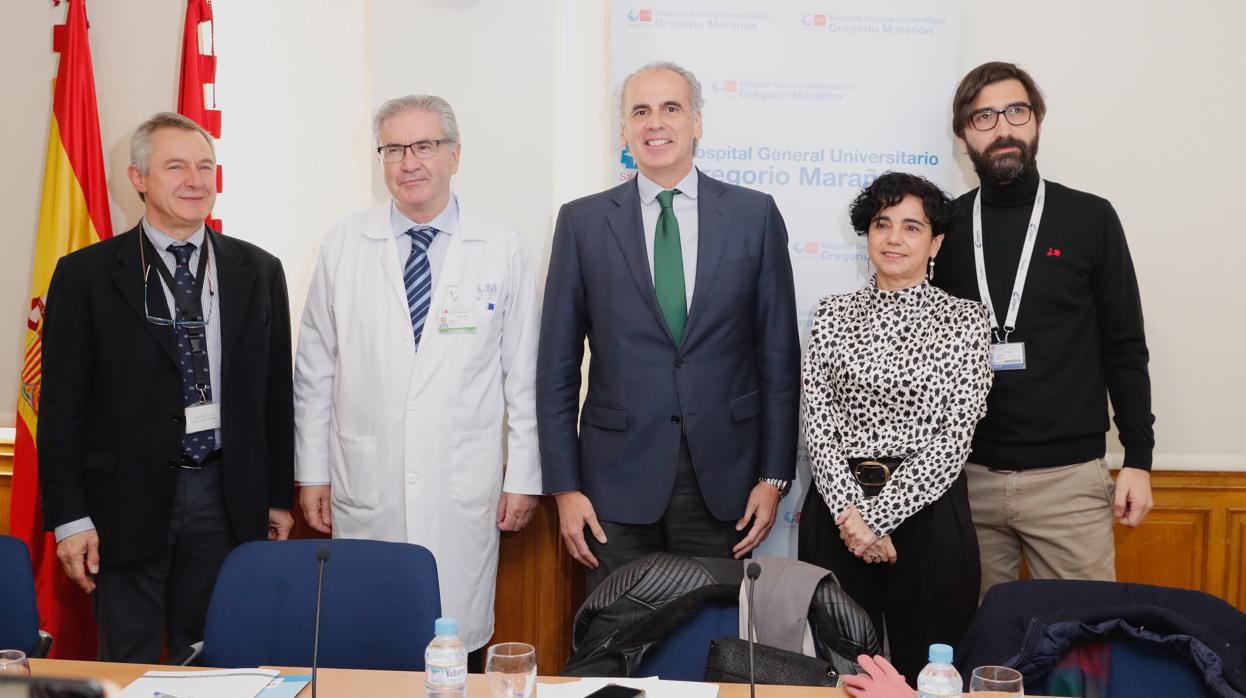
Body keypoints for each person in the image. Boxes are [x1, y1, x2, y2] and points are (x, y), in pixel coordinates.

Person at [38, 112, 295, 662]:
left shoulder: (260, 270)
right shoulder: (84, 276)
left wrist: (276, 496)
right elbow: (60, 410)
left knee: (215, 659)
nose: (195, 181)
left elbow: (275, 395)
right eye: (176, 166)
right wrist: (70, 518)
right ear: (138, 177)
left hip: (226, 496)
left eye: (205, 166)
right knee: (127, 661)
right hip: (123, 503)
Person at [293, 95, 541, 656]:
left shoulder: (500, 245)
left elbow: (522, 372)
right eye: (394, 149)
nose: (409, 163)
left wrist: (524, 475)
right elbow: (314, 372)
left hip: (463, 481)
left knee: (456, 640)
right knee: (369, 639)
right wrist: (312, 473)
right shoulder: (344, 245)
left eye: (424, 146)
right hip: (365, 478)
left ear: (454, 154)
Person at [537, 61, 800, 590]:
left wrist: (774, 479)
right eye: (641, 111)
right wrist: (565, 489)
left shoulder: (754, 216)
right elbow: (557, 368)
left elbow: (779, 359)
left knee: (710, 649)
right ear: (624, 132)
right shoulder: (582, 223)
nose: (655, 123)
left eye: (671, 108)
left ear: (697, 122)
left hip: (725, 483)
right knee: (613, 646)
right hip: (613, 488)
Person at [933, 62, 1155, 595]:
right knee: (975, 652)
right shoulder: (945, 231)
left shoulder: (1091, 218)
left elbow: (1125, 346)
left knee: (1080, 654)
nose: (1002, 127)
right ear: (964, 137)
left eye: (1016, 111)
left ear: (1036, 123)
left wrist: (1139, 460)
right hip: (967, 482)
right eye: (983, 116)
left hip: (1069, 483)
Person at [798, 172, 993, 682]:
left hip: (926, 515)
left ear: (937, 241)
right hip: (836, 514)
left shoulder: (965, 320)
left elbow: (954, 437)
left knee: (929, 670)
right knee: (840, 671)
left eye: (911, 226)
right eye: (882, 224)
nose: (893, 238)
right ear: (866, 232)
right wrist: (850, 516)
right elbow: (818, 423)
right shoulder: (832, 315)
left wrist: (878, 519)